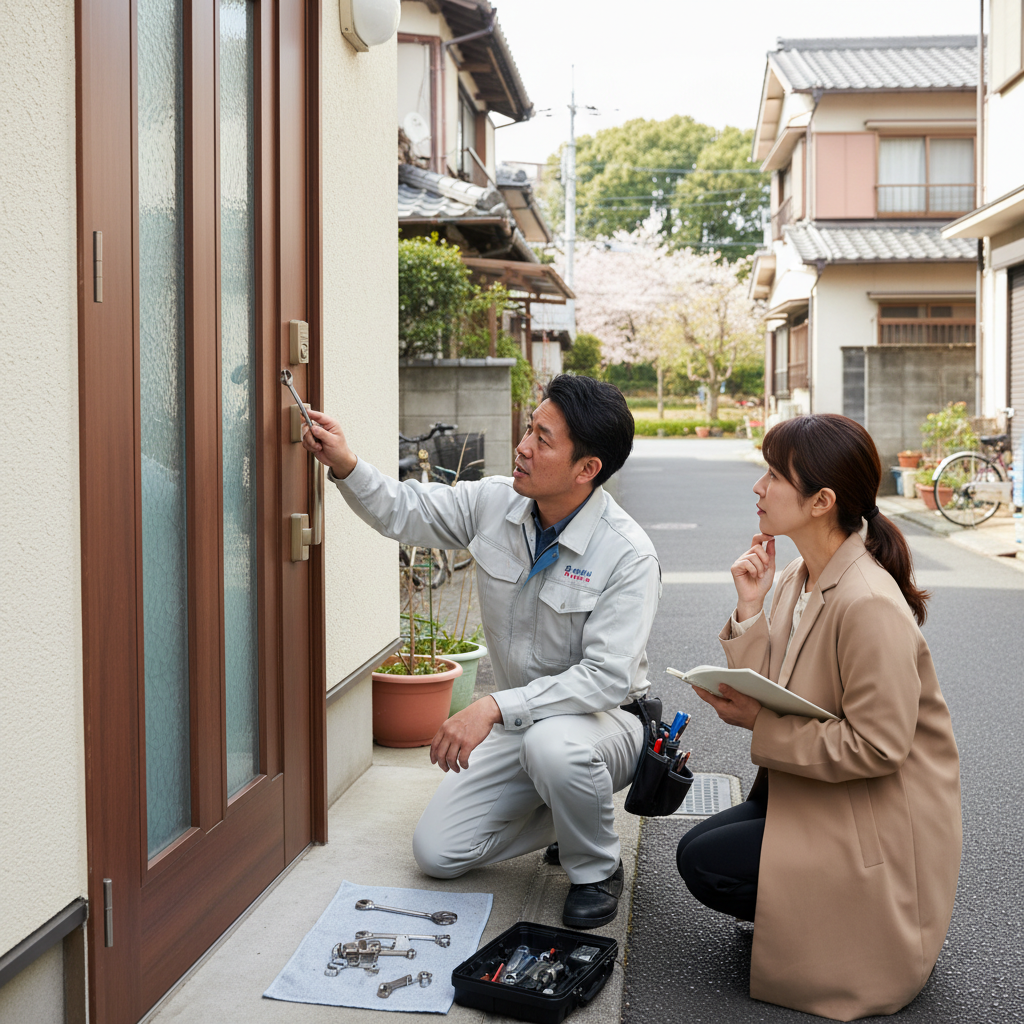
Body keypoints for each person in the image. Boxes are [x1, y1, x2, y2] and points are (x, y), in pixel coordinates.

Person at [301, 374, 661, 928]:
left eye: (543, 439)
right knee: (438, 854)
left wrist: (491, 707)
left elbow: (606, 678)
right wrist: (346, 463)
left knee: (555, 748)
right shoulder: (497, 503)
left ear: (587, 469)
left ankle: (594, 865)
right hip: (525, 724)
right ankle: (572, 813)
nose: (522, 446)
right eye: (528, 429)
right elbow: (405, 509)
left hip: (603, 722)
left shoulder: (627, 553)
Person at [677, 414, 961, 1021]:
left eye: (775, 475)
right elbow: (777, 687)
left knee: (702, 862)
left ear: (821, 502)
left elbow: (880, 748)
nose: (758, 487)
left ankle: (845, 928)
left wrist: (759, 724)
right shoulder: (799, 575)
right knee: (701, 846)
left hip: (873, 815)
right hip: (818, 789)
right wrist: (751, 609)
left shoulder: (869, 603)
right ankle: (803, 913)